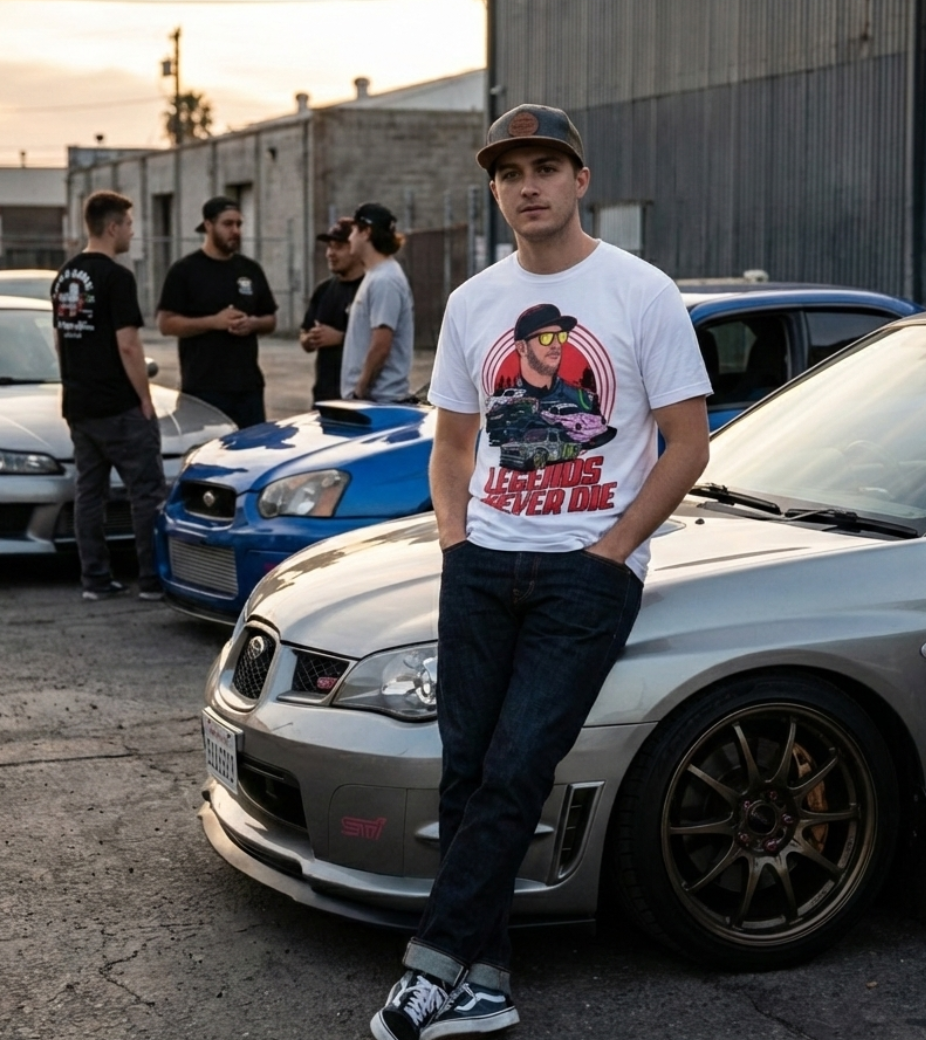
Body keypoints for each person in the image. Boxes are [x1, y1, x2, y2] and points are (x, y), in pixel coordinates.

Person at [370, 104, 713, 1040]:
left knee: (519, 765)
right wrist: (455, 543)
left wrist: (610, 553)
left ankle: (430, 968)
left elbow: (687, 447)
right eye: (510, 171)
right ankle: (485, 983)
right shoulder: (476, 302)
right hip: (482, 563)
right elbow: (450, 447)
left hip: (584, 574)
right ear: (495, 189)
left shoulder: (642, 294)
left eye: (546, 167)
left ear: (579, 180)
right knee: (468, 772)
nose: (528, 186)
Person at [50, 190, 166, 602]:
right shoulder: (117, 278)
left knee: (90, 494)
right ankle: (152, 580)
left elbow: (61, 342)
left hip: (80, 406)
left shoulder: (65, 276)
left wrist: (73, 385)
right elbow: (129, 345)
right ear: (113, 226)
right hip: (119, 406)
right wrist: (146, 399)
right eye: (130, 225)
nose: (132, 233)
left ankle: (94, 579)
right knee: (146, 492)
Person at [156, 196, 278, 427]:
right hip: (203, 389)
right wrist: (213, 322)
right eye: (227, 224)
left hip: (247, 388)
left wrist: (252, 324)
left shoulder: (250, 269)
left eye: (239, 224)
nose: (235, 230)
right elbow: (166, 323)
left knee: (250, 457)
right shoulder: (185, 271)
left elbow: (270, 319)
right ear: (208, 225)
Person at [341, 202, 414, 402]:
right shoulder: (376, 276)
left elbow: (381, 344)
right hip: (374, 400)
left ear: (366, 232)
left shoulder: (385, 280)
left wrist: (359, 392)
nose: (350, 237)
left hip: (377, 401)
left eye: (354, 230)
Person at [299, 217, 364, 402]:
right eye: (329, 247)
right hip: (324, 396)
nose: (330, 254)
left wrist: (340, 338)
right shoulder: (323, 290)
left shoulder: (370, 288)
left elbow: (381, 344)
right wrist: (309, 339)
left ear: (356, 248)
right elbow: (304, 332)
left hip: (358, 397)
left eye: (339, 247)